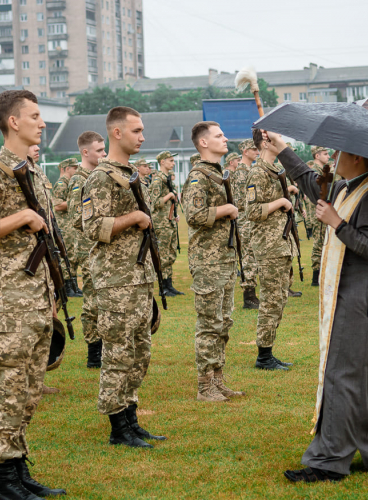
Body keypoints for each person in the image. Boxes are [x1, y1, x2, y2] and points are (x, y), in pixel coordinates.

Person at [262, 133, 368, 482]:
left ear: (355, 156)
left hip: (358, 292)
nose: (334, 156)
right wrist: (282, 150)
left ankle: (328, 461)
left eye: (339, 151)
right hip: (341, 289)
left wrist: (337, 223)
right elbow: (310, 184)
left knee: (342, 373)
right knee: (363, 371)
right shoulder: (343, 186)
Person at [0, 90, 66, 499]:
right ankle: (3, 483)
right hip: (9, 300)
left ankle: (19, 470)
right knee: (7, 388)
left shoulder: (33, 170)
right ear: (13, 122)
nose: (42, 123)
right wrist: (20, 217)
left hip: (36, 295)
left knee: (29, 389)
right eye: (35, 116)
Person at [81, 106, 165, 449]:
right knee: (118, 353)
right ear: (117, 133)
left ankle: (131, 418)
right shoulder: (101, 178)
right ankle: (118, 428)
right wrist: (133, 218)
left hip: (137, 275)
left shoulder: (131, 175)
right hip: (116, 280)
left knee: (139, 352)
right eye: (136, 131)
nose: (142, 137)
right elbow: (90, 226)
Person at [180, 122, 244, 402]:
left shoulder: (216, 173)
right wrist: (225, 209)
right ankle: (204, 386)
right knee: (209, 323)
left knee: (223, 322)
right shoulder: (198, 176)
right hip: (208, 261)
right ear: (204, 143)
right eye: (219, 135)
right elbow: (192, 214)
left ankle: (218, 380)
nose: (225, 138)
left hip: (224, 258)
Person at [245, 130, 298, 371]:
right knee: (270, 300)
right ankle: (263, 356)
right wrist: (281, 203)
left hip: (280, 244)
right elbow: (252, 211)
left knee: (278, 299)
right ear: (266, 142)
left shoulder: (275, 171)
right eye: (277, 139)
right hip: (269, 246)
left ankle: (269, 351)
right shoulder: (257, 172)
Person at [67, 131, 106, 369]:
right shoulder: (79, 180)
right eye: (100, 150)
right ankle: (94, 352)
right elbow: (75, 217)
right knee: (92, 301)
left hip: (102, 246)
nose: (104, 153)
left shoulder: (99, 176)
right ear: (85, 152)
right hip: (88, 247)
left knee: (103, 297)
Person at [149, 151, 183, 297]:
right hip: (161, 224)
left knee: (170, 254)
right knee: (162, 255)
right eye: (170, 160)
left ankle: (169, 285)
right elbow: (154, 203)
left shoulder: (167, 179)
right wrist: (169, 195)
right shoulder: (157, 181)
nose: (173, 163)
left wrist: (173, 214)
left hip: (168, 222)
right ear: (162, 162)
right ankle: (163, 286)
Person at [234, 140, 259, 310]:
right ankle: (248, 297)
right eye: (253, 149)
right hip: (245, 220)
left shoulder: (250, 170)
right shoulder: (241, 172)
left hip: (251, 219)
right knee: (248, 257)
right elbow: (241, 201)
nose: (256, 152)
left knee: (252, 256)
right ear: (244, 151)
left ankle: (252, 293)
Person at [52, 157, 81, 297]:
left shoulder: (70, 183)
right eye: (74, 168)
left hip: (70, 225)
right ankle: (67, 286)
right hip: (64, 225)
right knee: (66, 255)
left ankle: (73, 286)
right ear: (65, 169)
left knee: (73, 256)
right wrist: (76, 202)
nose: (76, 170)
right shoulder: (61, 184)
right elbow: (57, 206)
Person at [307, 145, 331, 286]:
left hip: (323, 209)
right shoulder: (314, 172)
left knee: (323, 241)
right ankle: (316, 277)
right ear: (317, 156)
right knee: (318, 242)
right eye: (325, 154)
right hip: (318, 209)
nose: (328, 156)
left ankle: (320, 273)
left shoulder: (322, 171)